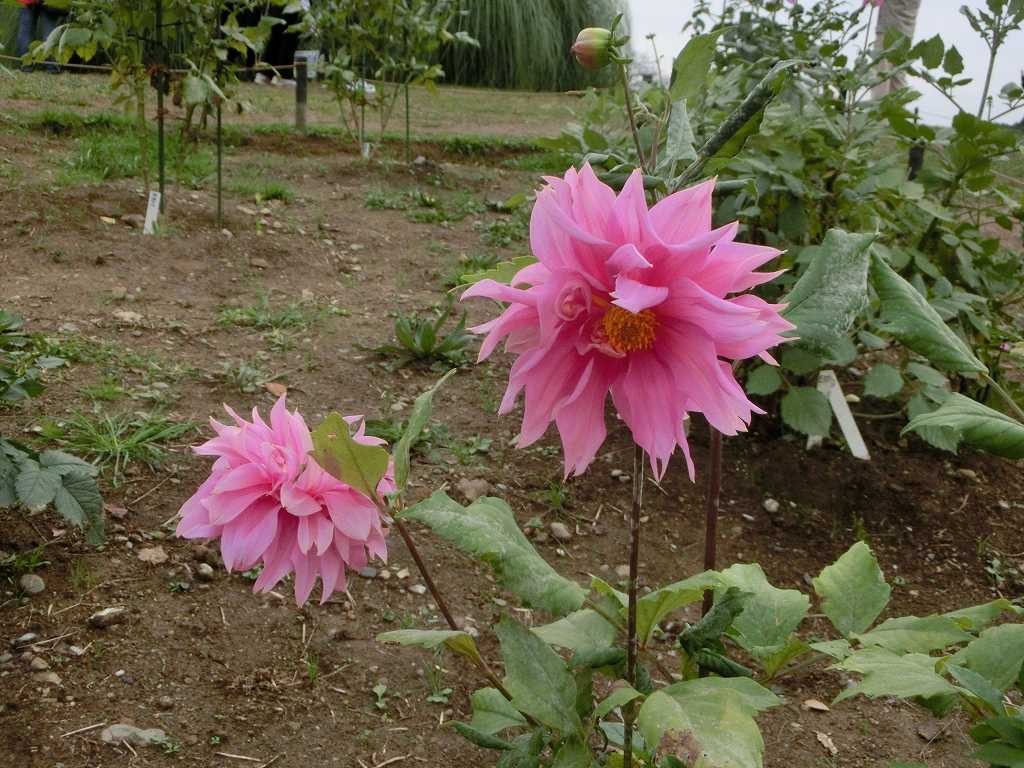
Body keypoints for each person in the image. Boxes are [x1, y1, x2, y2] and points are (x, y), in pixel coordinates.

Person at [873, 0, 923, 96]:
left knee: (881, 77)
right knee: (898, 77)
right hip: (906, 35)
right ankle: (897, 108)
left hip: (887, 32)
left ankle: (878, 109)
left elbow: (874, 2)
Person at [16, 0, 64, 72]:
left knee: (26, 32)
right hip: (49, 3)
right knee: (50, 34)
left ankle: (26, 66)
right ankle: (52, 67)